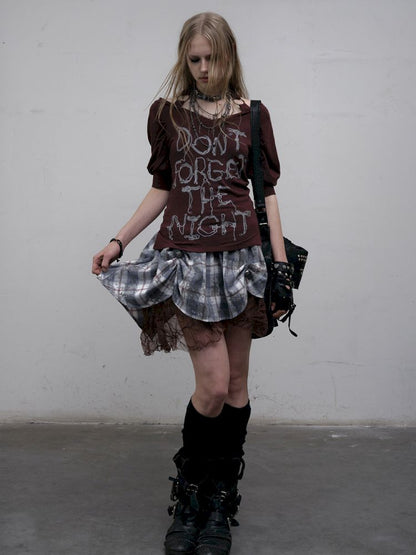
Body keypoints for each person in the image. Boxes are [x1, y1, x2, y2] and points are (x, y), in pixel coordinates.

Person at [92, 11, 292, 555]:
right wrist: (118, 240)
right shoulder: (168, 115)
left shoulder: (253, 116)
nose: (203, 69)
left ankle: (219, 502)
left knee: (236, 387)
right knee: (213, 387)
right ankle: (189, 497)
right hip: (187, 262)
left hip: (243, 259)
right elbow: (163, 186)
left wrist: (280, 271)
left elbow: (266, 194)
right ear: (185, 59)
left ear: (229, 56)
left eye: (212, 58)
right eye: (194, 59)